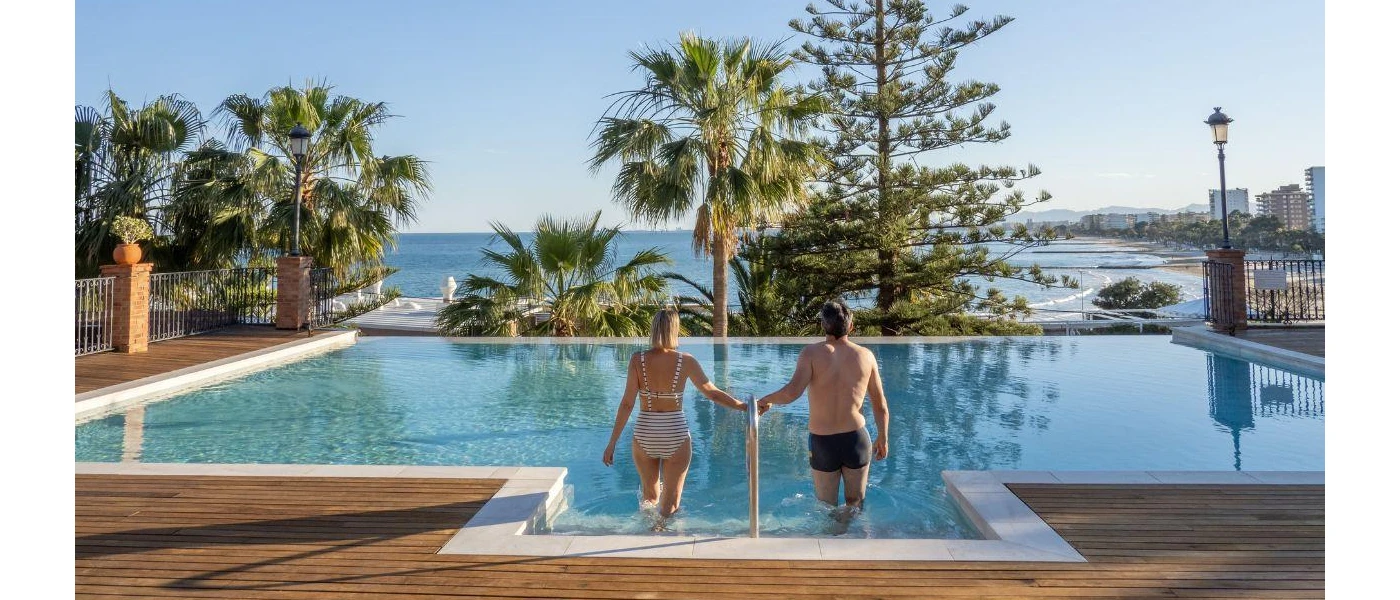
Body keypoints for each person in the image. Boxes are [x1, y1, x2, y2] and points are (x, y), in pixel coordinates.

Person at [602, 308, 748, 520]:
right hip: (675, 433)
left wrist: (612, 443)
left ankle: (648, 532)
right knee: (671, 503)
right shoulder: (685, 361)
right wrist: (743, 406)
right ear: (675, 330)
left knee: (649, 497)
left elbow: (626, 404)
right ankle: (662, 537)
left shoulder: (637, 360)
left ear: (653, 329)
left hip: (645, 433)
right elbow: (713, 394)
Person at [756, 300, 890, 510]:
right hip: (856, 438)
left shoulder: (811, 354)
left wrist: (765, 400)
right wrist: (883, 438)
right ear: (851, 327)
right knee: (855, 506)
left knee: (826, 507)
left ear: (823, 326)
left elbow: (792, 392)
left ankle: (832, 538)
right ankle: (852, 538)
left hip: (823, 442)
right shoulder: (866, 356)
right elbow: (880, 404)